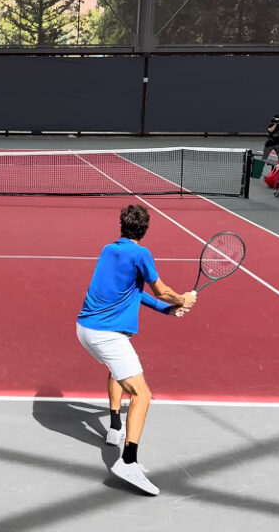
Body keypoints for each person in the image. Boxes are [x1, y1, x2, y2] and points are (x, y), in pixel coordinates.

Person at [76, 204, 197, 496]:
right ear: (145, 230)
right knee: (143, 394)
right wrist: (183, 299)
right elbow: (160, 289)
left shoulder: (108, 250)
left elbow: (134, 292)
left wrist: (168, 311)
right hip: (108, 335)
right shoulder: (141, 253)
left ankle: (115, 427)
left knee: (118, 372)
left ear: (122, 226)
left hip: (85, 330)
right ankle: (128, 461)